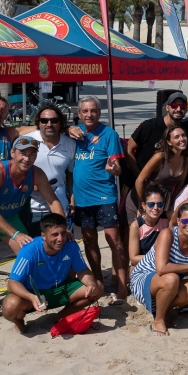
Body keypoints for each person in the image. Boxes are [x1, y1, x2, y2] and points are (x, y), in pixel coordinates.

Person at [0, 136, 66, 315]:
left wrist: (63, 228)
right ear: (12, 153)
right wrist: (15, 234)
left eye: (32, 154)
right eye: (22, 153)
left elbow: (53, 201)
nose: (27, 158)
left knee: (27, 252)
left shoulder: (36, 173)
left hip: (8, 215)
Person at [3, 213, 103, 333]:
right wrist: (32, 297)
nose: (60, 239)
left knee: (98, 287)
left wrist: (91, 284)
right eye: (54, 235)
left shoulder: (70, 244)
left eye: (63, 233)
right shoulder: (29, 250)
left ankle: (59, 316)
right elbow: (13, 282)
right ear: (43, 236)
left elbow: (82, 270)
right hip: (33, 293)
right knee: (10, 306)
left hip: (60, 288)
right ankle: (19, 322)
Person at [71, 96, 128, 303]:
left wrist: (115, 169)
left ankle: (121, 286)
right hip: (82, 200)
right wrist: (68, 129)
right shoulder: (74, 134)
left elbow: (118, 167)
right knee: (88, 240)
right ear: (79, 114)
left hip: (104, 195)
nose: (89, 115)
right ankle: (97, 281)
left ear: (99, 112)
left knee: (114, 240)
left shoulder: (109, 134)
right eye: (85, 111)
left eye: (93, 111)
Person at [130, 202, 188, 336]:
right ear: (178, 221)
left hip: (170, 278)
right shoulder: (168, 234)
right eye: (185, 220)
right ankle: (158, 320)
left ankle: (162, 309)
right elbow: (161, 268)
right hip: (145, 277)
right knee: (172, 279)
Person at [24, 103, 76, 236]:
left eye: (54, 120)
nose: (49, 124)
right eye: (44, 120)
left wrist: (72, 199)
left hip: (59, 205)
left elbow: (69, 175)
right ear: (38, 122)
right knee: (35, 249)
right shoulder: (26, 140)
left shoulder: (70, 143)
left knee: (60, 245)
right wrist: (29, 184)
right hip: (32, 207)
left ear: (60, 123)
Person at [126, 91, 187, 189]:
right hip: (139, 185)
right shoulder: (149, 126)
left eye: (183, 106)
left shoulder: (184, 131)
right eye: (174, 105)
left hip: (165, 187)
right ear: (167, 107)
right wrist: (139, 175)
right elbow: (128, 149)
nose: (178, 109)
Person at [129, 125, 188, 219]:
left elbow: (180, 183)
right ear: (169, 142)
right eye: (177, 137)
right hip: (145, 199)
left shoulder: (186, 158)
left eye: (183, 135)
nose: (182, 139)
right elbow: (139, 181)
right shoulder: (160, 157)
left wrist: (172, 202)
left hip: (164, 203)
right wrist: (141, 206)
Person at [128, 187, 170, 266]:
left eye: (160, 204)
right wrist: (159, 257)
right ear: (144, 205)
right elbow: (133, 258)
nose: (156, 208)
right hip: (143, 265)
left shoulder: (167, 218)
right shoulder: (136, 226)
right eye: (151, 204)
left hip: (163, 264)